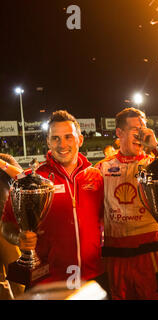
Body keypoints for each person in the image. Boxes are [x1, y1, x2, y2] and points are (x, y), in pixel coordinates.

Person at [1, 110, 105, 288]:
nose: (62, 144)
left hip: (93, 279)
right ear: (48, 141)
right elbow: (6, 226)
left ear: (80, 139)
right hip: (47, 282)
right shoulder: (28, 182)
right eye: (55, 138)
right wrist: (19, 238)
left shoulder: (96, 177)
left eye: (68, 137)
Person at [95, 107, 158, 300]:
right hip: (114, 253)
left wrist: (155, 147)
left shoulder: (155, 163)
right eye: (136, 129)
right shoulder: (102, 168)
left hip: (149, 251)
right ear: (119, 132)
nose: (141, 135)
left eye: (144, 129)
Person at [0, 154, 23, 299]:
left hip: (5, 225)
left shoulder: (5, 159)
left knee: (18, 276)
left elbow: (23, 177)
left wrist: (2, 164)